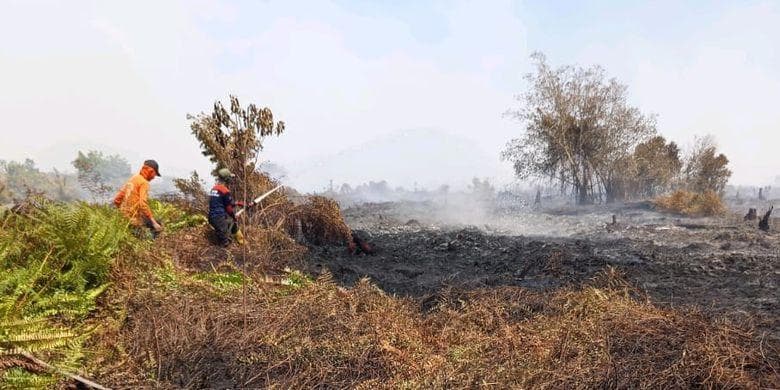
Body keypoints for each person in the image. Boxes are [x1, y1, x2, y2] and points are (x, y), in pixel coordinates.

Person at [113, 160, 163, 238]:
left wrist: (123, 213)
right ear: (151, 171)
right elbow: (143, 204)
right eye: (154, 175)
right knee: (157, 226)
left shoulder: (133, 178)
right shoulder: (144, 183)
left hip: (123, 219)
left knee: (149, 223)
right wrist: (154, 223)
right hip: (134, 222)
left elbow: (117, 199)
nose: (153, 178)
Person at [208, 168, 248, 246]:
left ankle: (242, 242)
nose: (231, 179)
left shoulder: (214, 189)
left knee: (233, 225)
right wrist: (233, 216)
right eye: (230, 177)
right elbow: (228, 208)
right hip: (219, 219)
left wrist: (239, 203)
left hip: (212, 218)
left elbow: (223, 202)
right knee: (224, 243)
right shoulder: (225, 190)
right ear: (227, 179)